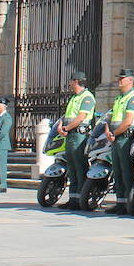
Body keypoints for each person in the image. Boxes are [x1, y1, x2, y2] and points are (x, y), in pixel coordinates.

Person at [56, 73, 96, 208]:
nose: (69, 83)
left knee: (80, 167)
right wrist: (61, 126)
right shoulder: (74, 98)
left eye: (71, 81)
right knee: (72, 168)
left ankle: (81, 198)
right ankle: (73, 199)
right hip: (71, 135)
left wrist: (66, 128)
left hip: (79, 136)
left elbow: (80, 118)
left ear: (76, 81)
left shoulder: (87, 97)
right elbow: (68, 115)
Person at [106, 70, 134, 214]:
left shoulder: (133, 98)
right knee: (118, 171)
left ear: (130, 80)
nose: (119, 81)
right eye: (119, 78)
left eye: (122, 79)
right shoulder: (119, 98)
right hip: (115, 138)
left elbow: (128, 121)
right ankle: (120, 202)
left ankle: (130, 201)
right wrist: (108, 130)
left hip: (125, 138)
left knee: (127, 171)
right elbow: (111, 117)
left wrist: (114, 133)